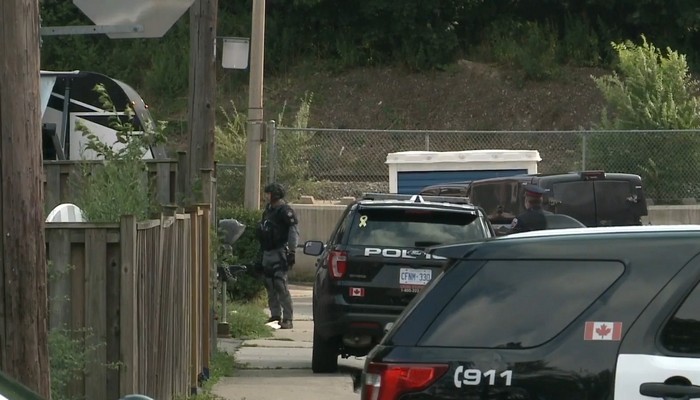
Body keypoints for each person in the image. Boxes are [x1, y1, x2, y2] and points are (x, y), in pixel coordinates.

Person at [255, 183, 300, 329]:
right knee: (269, 284)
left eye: (268, 193)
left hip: (280, 251)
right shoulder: (268, 210)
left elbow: (293, 231)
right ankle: (275, 315)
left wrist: (292, 251)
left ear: (275, 194)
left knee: (280, 284)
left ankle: (288, 318)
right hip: (267, 251)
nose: (266, 196)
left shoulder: (285, 211)